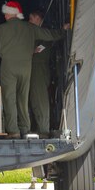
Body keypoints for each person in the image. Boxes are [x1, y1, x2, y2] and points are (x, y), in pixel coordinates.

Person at [0, 1, 67, 138]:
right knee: (23, 98)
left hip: (9, 67)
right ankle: (25, 128)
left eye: (6, 13)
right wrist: (63, 31)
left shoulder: (1, 29)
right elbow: (49, 34)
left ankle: (13, 130)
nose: (5, 15)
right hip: (26, 68)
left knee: (9, 98)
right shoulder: (30, 28)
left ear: (10, 14)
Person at [28, 9, 63, 138]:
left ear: (38, 19)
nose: (29, 21)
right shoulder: (35, 34)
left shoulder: (43, 34)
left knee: (40, 101)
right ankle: (39, 128)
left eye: (31, 19)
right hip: (33, 71)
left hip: (40, 72)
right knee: (34, 101)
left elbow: (37, 50)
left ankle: (43, 130)